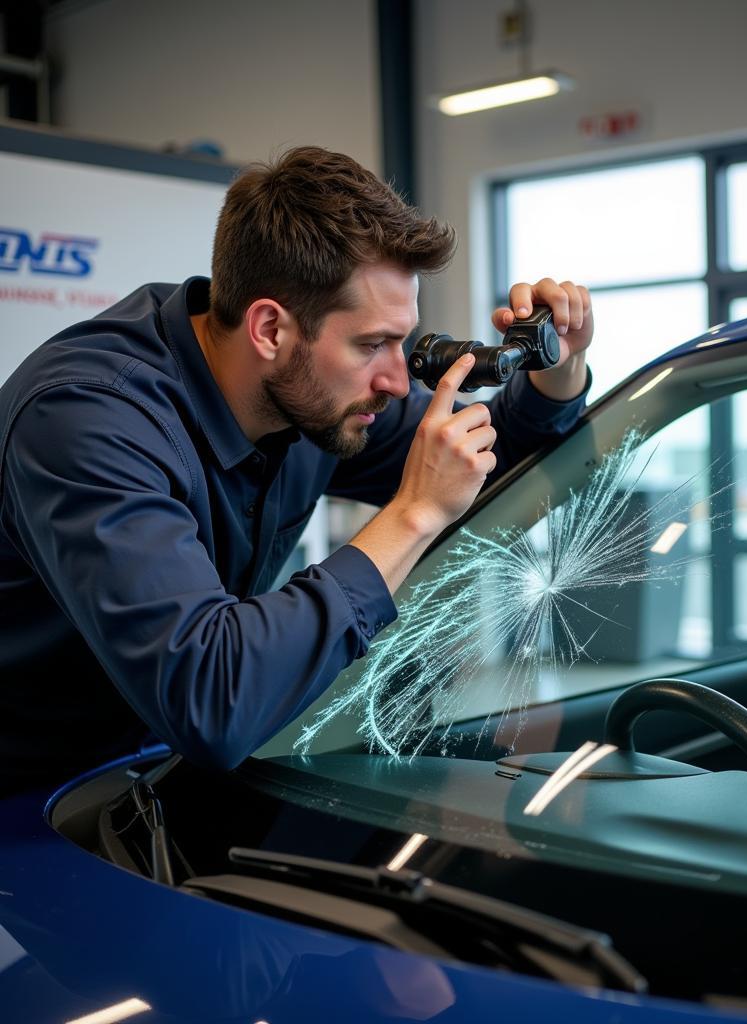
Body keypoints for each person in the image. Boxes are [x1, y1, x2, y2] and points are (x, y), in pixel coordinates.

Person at [0, 146, 592, 793]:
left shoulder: (317, 396)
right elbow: (212, 701)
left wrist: (557, 369)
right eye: (371, 345)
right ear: (270, 330)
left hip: (150, 782)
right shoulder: (89, 420)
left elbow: (485, 464)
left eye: (402, 340)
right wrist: (412, 516)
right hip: (27, 807)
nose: (398, 380)